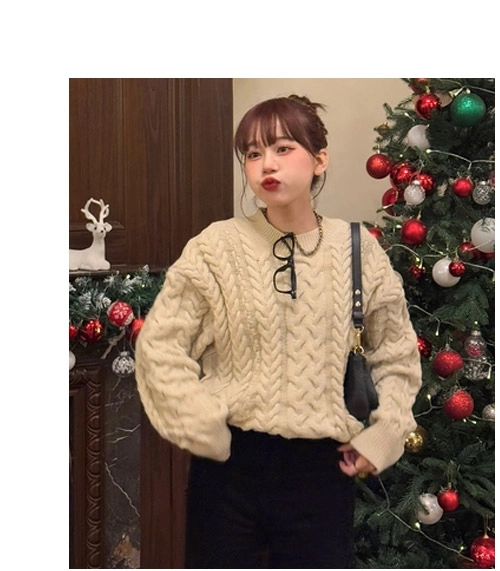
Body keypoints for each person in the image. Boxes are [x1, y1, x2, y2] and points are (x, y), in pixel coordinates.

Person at [135, 94, 422, 569]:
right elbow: (160, 346)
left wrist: (385, 434)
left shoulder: (359, 250)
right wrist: (201, 426)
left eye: (283, 148)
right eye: (252, 153)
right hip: (229, 472)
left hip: (322, 476)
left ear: (319, 160)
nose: (266, 164)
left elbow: (396, 353)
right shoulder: (215, 248)